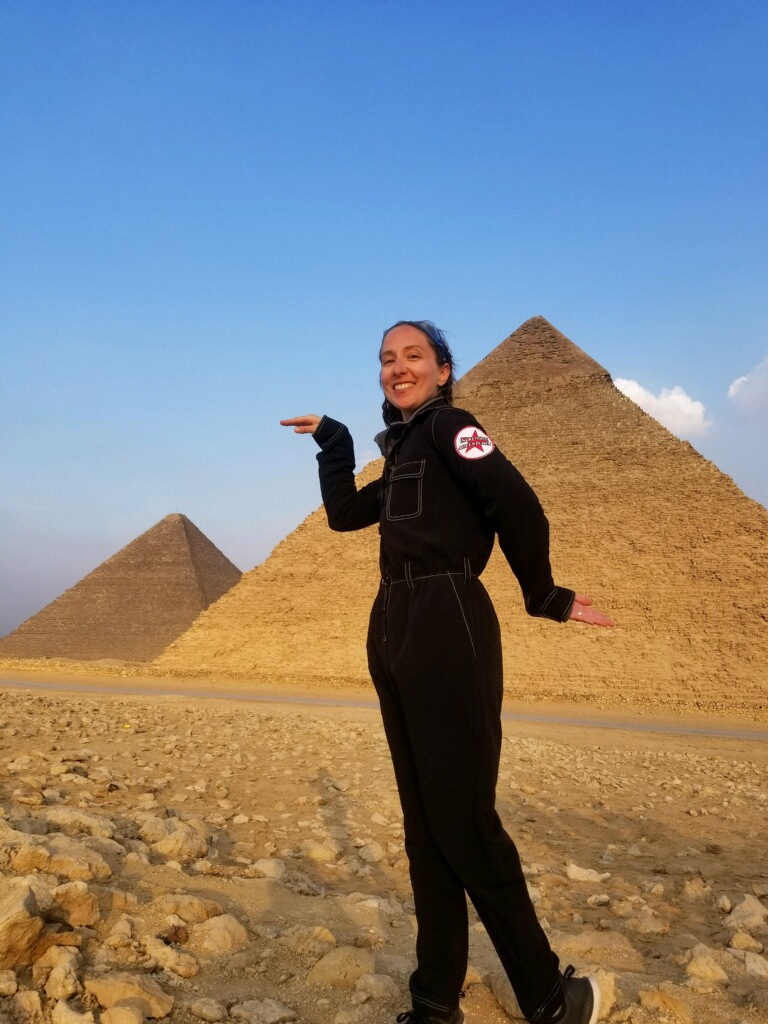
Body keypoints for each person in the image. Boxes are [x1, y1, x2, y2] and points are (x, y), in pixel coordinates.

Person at [281, 320, 613, 1024]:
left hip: (446, 618)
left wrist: (544, 594)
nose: (397, 368)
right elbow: (344, 515)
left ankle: (549, 1000)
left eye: (413, 356)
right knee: (425, 828)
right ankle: (435, 1002)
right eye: (386, 359)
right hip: (393, 621)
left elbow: (515, 501)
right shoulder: (406, 451)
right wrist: (335, 443)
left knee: (463, 822)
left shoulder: (452, 428)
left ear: (443, 370)